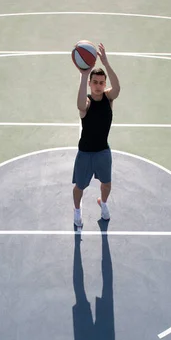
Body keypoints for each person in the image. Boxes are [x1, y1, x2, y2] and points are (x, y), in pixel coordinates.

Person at [72, 43, 120, 228]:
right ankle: (77, 211)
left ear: (104, 84)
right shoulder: (87, 103)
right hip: (84, 154)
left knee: (107, 184)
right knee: (79, 188)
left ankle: (104, 203)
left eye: (101, 82)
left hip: (102, 152)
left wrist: (106, 63)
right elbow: (80, 106)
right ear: (91, 84)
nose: (98, 86)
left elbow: (117, 88)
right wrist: (84, 75)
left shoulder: (109, 99)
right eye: (95, 82)